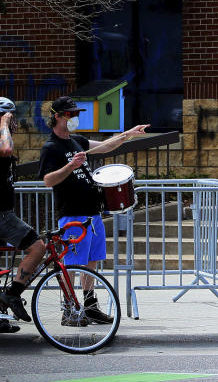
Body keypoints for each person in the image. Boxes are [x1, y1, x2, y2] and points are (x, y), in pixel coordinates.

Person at [38, 96, 149, 325]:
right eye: (70, 114)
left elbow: (107, 146)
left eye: (76, 114)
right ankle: (69, 309)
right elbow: (48, 180)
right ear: (57, 116)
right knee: (71, 263)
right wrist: (71, 166)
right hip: (72, 214)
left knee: (92, 261)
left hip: (92, 213)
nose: (74, 118)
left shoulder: (76, 140)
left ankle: (89, 306)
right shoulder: (51, 147)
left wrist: (129, 133)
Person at [0, 97, 45, 332]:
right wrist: (3, 123)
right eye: (12, 118)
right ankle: (12, 295)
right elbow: (6, 149)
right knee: (38, 247)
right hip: (1, 216)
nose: (15, 123)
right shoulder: (1, 139)